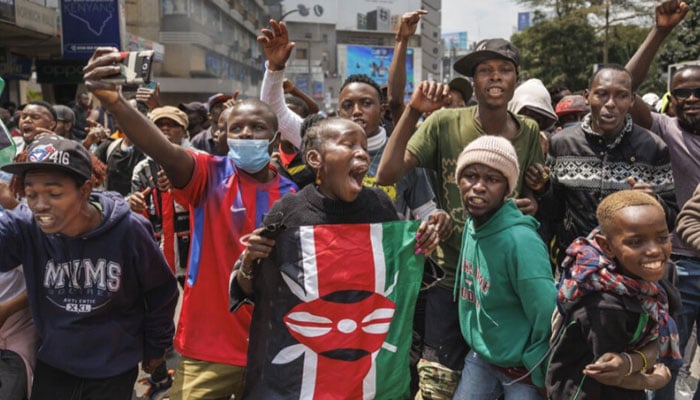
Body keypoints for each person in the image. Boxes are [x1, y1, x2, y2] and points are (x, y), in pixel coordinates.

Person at [84, 47, 298, 400]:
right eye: (237, 128)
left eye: (257, 127)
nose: (245, 134)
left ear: (274, 139)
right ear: (224, 137)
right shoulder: (206, 173)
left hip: (272, 347)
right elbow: (163, 149)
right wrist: (115, 104)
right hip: (206, 347)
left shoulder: (293, 196)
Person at [376, 38, 544, 398]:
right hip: (451, 277)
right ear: (473, 81)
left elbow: (526, 191)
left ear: (516, 78)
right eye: (485, 71)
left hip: (505, 285)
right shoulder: (444, 122)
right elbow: (387, 175)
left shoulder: (529, 131)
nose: (495, 78)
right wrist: (412, 111)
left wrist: (532, 202)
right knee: (439, 382)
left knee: (499, 378)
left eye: (504, 70)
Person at [230, 116, 440, 398]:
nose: (362, 153)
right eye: (349, 144)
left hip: (367, 378)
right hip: (300, 379)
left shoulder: (380, 206)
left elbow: (402, 280)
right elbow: (250, 290)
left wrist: (424, 244)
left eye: (364, 146)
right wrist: (249, 261)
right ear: (316, 159)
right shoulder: (290, 211)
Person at [0, 134, 178, 399]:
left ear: (84, 191)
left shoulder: (129, 230)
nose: (40, 205)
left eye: (54, 193)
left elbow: (161, 292)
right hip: (55, 361)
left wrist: (156, 347)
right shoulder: (26, 226)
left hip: (113, 365)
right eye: (31, 194)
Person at [529, 64, 677, 267]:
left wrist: (653, 202)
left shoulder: (653, 147)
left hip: (632, 271)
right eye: (601, 94)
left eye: (621, 95)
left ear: (632, 100)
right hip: (576, 267)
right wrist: (543, 189)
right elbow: (554, 211)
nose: (610, 104)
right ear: (587, 96)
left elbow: (671, 220)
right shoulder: (562, 143)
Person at [624, 2, 700, 397]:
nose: (690, 98)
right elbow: (625, 87)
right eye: (681, 93)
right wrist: (660, 32)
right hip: (680, 267)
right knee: (667, 362)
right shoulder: (665, 130)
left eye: (698, 91)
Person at [547, 190, 681, 399]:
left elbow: (664, 332)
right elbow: (610, 374)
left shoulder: (662, 276)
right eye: (636, 242)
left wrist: (636, 361)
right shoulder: (604, 306)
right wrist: (652, 380)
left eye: (662, 238)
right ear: (607, 246)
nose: (654, 250)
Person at [451, 136, 555, 399]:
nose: (478, 187)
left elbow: (546, 313)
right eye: (470, 176)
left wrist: (536, 366)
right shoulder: (473, 225)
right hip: (483, 356)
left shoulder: (520, 242)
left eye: (492, 179)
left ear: (507, 188)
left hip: (523, 369)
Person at [128, 105, 193, 287]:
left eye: (172, 124)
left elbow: (210, 204)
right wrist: (133, 203)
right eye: (159, 125)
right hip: (156, 245)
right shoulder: (142, 168)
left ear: (184, 132)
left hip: (193, 245)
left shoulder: (198, 161)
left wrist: (180, 190)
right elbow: (134, 208)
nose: (165, 128)